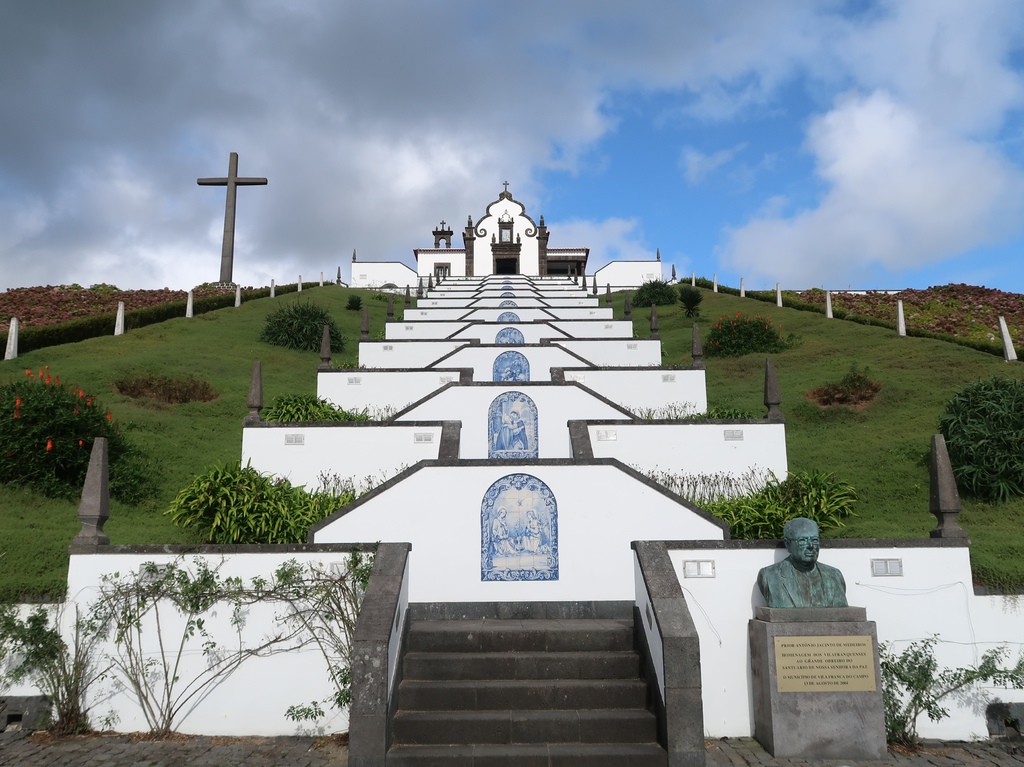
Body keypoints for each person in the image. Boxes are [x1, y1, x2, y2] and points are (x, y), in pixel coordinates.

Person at [756, 517, 848, 608]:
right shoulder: (770, 576)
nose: (811, 546)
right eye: (802, 540)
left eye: (815, 540)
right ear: (787, 544)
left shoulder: (835, 575)